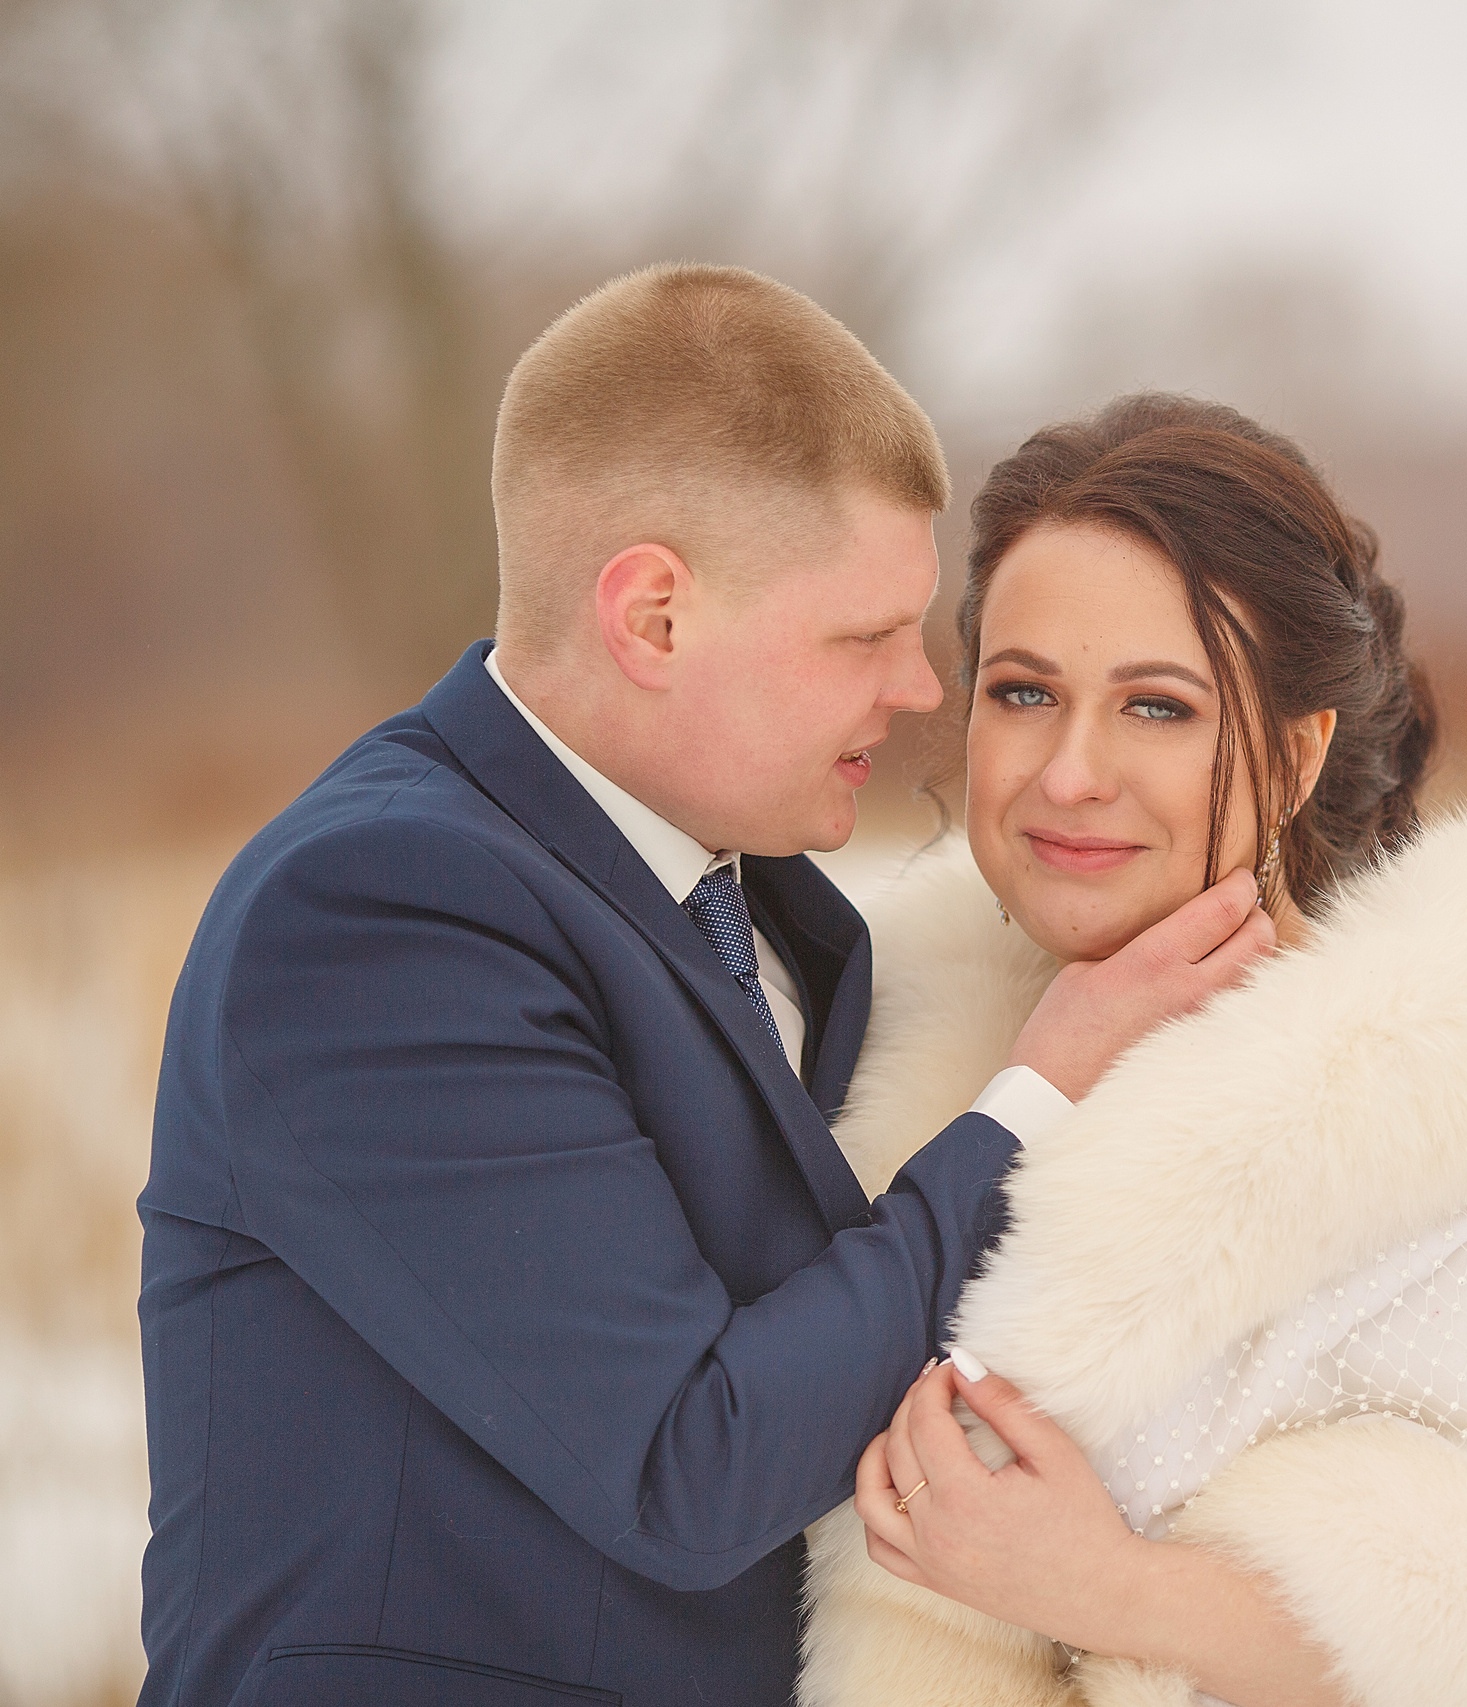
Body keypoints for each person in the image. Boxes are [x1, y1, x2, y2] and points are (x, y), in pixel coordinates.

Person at [136, 269, 1271, 1707]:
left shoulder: (775, 913)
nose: (922, 691)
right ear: (655, 618)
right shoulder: (378, 917)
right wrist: (1038, 1090)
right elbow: (688, 1457)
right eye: (863, 637)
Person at [799, 395, 1467, 1706]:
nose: (1069, 772)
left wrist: (1117, 1595)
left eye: (1158, 709)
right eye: (1024, 692)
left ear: (1300, 749)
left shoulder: (1457, 1097)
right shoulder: (872, 1029)